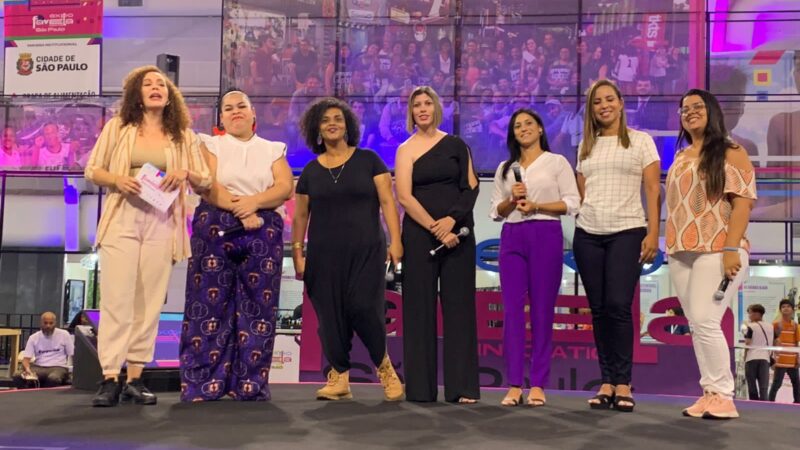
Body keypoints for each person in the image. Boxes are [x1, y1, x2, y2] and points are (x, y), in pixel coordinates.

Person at [84, 65, 212, 407]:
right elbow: (92, 169)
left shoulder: (182, 134)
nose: (155, 87)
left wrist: (184, 172)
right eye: (147, 84)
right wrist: (116, 179)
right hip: (122, 217)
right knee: (116, 300)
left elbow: (206, 179)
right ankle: (110, 377)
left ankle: (136, 377)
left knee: (150, 301)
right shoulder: (119, 128)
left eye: (161, 84)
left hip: (162, 219)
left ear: (170, 95)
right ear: (136, 94)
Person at [179, 89, 292, 402]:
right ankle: (202, 384)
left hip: (263, 227)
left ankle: (250, 386)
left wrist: (253, 204)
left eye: (241, 105)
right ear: (221, 118)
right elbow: (208, 183)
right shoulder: (210, 144)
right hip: (216, 223)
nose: (235, 111)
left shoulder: (273, 148)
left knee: (258, 309)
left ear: (253, 113)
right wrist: (239, 210)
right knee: (208, 306)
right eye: (228, 108)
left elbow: (284, 187)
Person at [292, 97, 404, 401]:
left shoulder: (370, 160)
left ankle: (386, 369)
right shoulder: (310, 172)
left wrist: (396, 240)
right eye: (326, 119)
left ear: (347, 126)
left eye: (338, 119)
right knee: (330, 316)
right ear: (317, 128)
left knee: (364, 309)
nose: (332, 123)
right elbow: (300, 216)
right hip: (323, 257)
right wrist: (298, 253)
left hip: (366, 250)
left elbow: (387, 203)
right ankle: (339, 377)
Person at [666, 89, 757, 419]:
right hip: (681, 251)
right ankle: (709, 391)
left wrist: (731, 248)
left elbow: (743, 203)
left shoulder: (732, 151)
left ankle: (723, 395)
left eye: (697, 107)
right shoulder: (680, 156)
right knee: (697, 322)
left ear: (712, 111)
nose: (689, 112)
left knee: (705, 318)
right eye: (684, 109)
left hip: (718, 249)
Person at [573, 80, 661, 413]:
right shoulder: (585, 145)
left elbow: (653, 190)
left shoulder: (641, 142)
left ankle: (624, 382)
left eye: (610, 99)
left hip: (628, 231)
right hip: (588, 234)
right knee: (597, 310)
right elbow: (583, 194)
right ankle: (606, 381)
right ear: (592, 109)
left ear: (622, 103)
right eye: (597, 102)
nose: (604, 106)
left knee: (618, 306)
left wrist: (653, 233)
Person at [395, 86, 480, 403]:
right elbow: (404, 195)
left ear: (436, 108)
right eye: (416, 104)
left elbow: (470, 188)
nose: (422, 108)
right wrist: (435, 227)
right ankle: (420, 389)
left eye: (427, 103)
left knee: (459, 308)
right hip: (419, 234)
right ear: (411, 112)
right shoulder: (405, 149)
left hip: (458, 234)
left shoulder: (457, 145)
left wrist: (452, 222)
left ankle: (462, 388)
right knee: (418, 309)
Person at [489, 109, 580, 406]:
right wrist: (511, 200)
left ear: (540, 128)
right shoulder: (506, 167)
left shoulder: (556, 162)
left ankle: (538, 384)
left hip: (545, 234)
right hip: (512, 236)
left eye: (529, 123)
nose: (523, 128)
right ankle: (514, 384)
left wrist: (537, 205)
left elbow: (572, 203)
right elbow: (496, 212)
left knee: (542, 311)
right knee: (513, 313)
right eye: (517, 125)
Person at [14, 312, 73, 389]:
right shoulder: (33, 337)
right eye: (45, 323)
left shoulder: (64, 334)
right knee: (17, 375)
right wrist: (28, 369)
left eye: (51, 323)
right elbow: (26, 360)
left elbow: (72, 354)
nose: (48, 326)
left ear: (55, 323)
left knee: (53, 378)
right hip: (38, 367)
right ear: (41, 323)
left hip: (58, 367)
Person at [768, 299, 800, 403]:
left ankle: (797, 403)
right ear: (780, 310)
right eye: (783, 307)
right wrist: (772, 360)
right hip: (780, 361)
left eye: (788, 306)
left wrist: (798, 359)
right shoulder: (775, 325)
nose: (785, 308)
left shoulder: (796, 326)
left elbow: (797, 344)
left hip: (792, 361)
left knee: (796, 383)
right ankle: (770, 402)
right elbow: (771, 342)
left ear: (792, 309)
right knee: (777, 383)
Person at [743, 304, 773, 401]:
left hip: (752, 358)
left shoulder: (750, 327)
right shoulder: (770, 326)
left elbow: (748, 343)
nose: (749, 315)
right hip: (765, 359)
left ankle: (754, 406)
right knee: (764, 387)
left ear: (756, 314)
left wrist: (744, 356)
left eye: (750, 313)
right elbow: (776, 341)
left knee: (752, 386)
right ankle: (765, 407)